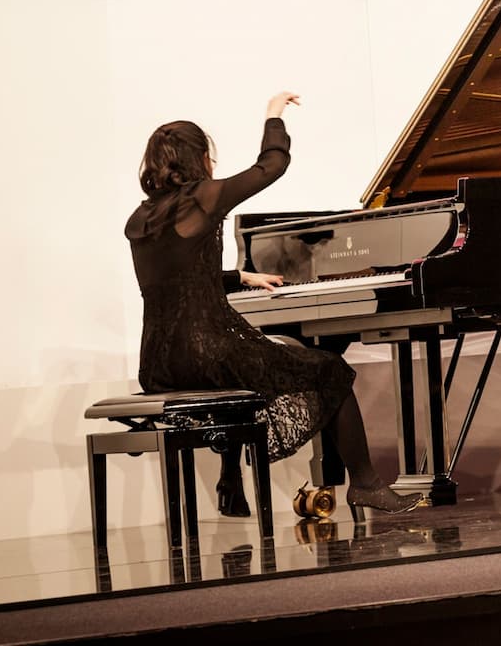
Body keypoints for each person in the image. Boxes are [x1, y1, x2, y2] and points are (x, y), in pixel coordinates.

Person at [125, 91, 424, 518]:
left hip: (158, 363)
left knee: (256, 372)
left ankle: (231, 480)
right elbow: (272, 165)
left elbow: (169, 281)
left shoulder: (140, 218)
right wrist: (273, 115)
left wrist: (237, 277)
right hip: (208, 351)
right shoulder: (204, 198)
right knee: (329, 369)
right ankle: (366, 484)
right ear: (197, 159)